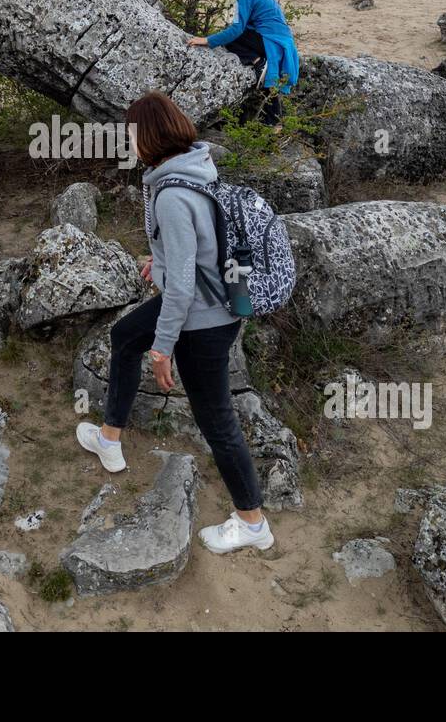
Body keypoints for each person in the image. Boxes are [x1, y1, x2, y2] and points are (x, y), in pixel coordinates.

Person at [75, 91, 274, 554]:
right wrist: (159, 263)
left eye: (130, 133)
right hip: (211, 302)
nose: (128, 141)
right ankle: (110, 438)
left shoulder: (170, 194)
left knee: (216, 419)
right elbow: (193, 252)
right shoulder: (193, 169)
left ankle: (252, 522)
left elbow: (182, 289)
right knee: (125, 336)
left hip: (201, 318)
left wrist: (163, 347)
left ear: (147, 137)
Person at [187, 0, 300, 126]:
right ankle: (274, 122)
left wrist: (207, 40)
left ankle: (258, 61)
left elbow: (236, 30)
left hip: (270, 43)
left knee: (230, 38)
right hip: (281, 44)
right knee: (267, 85)